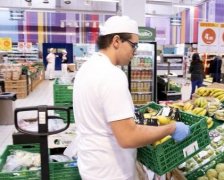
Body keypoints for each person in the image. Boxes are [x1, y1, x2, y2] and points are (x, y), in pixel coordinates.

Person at [73, 16, 190, 180]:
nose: (135, 51)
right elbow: (128, 137)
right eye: (133, 45)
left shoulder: (88, 68)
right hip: (112, 172)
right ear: (116, 41)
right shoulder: (112, 75)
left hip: (92, 166)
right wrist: (171, 128)